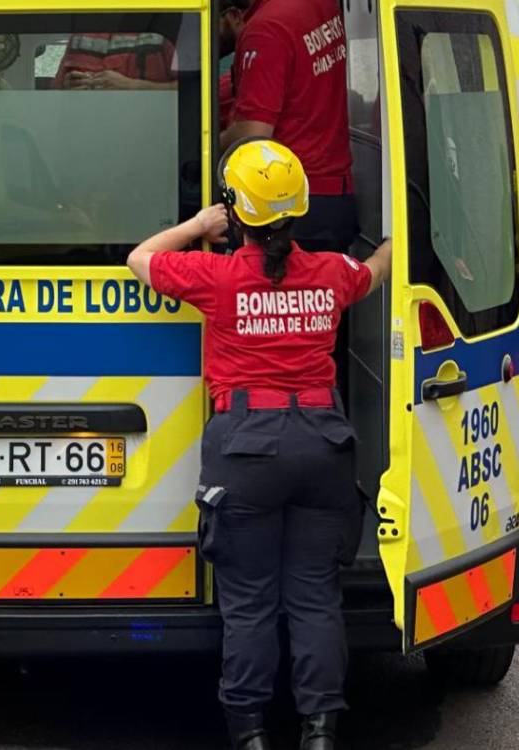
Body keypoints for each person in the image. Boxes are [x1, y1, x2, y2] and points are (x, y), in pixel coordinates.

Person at [128, 140, 391, 750]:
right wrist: (395, 235)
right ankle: (320, 730)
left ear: (234, 212)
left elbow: (140, 258)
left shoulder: (217, 276)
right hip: (324, 446)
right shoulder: (331, 273)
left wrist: (199, 224)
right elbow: (376, 269)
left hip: (247, 451)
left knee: (247, 603)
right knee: (315, 599)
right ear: (298, 209)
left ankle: (249, 733)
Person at [219, 0, 357, 253]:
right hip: (335, 197)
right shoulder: (319, 5)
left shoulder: (266, 29)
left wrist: (208, 143)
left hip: (288, 205)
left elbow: (253, 134)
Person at [56, 32, 177, 90]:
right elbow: (54, 94)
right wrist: (67, 89)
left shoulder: (164, 31)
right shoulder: (80, 35)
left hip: (147, 131)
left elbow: (191, 91)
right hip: (86, 131)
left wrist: (131, 85)